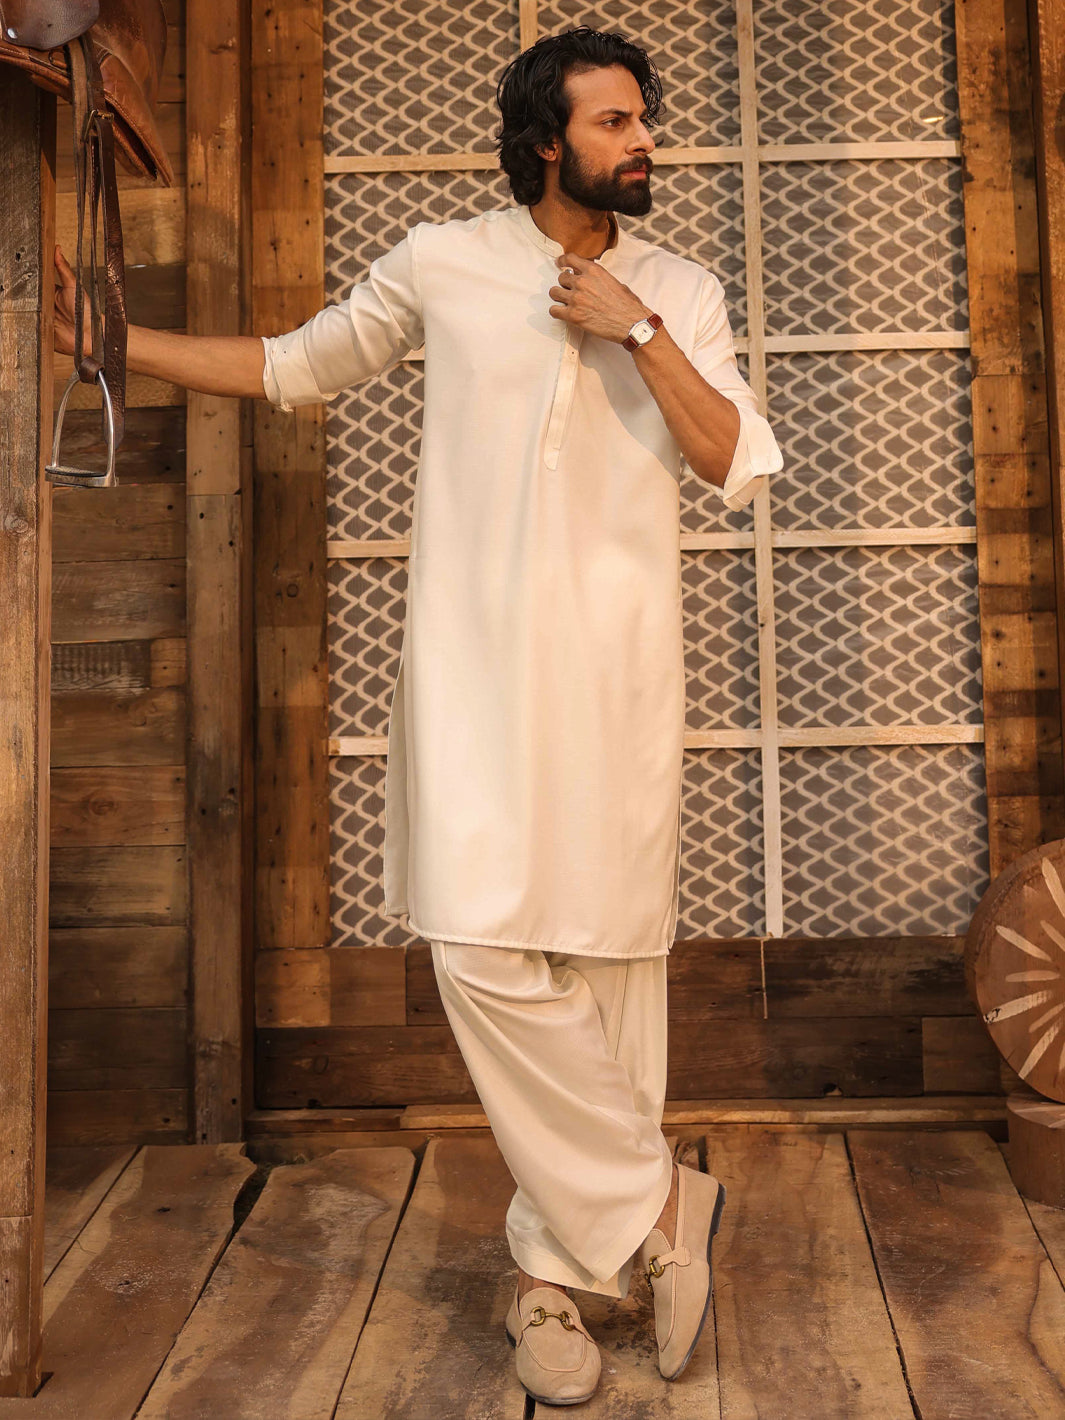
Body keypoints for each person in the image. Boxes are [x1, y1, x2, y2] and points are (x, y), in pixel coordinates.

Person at [54, 25, 782, 1406]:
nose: (645, 141)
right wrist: (119, 342)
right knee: (475, 945)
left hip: (619, 680)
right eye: (616, 122)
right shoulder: (444, 262)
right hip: (471, 674)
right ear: (544, 143)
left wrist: (633, 327)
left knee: (610, 973)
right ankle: (663, 1208)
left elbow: (729, 455)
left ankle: (551, 1285)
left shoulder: (680, 288)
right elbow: (294, 364)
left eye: (644, 119)